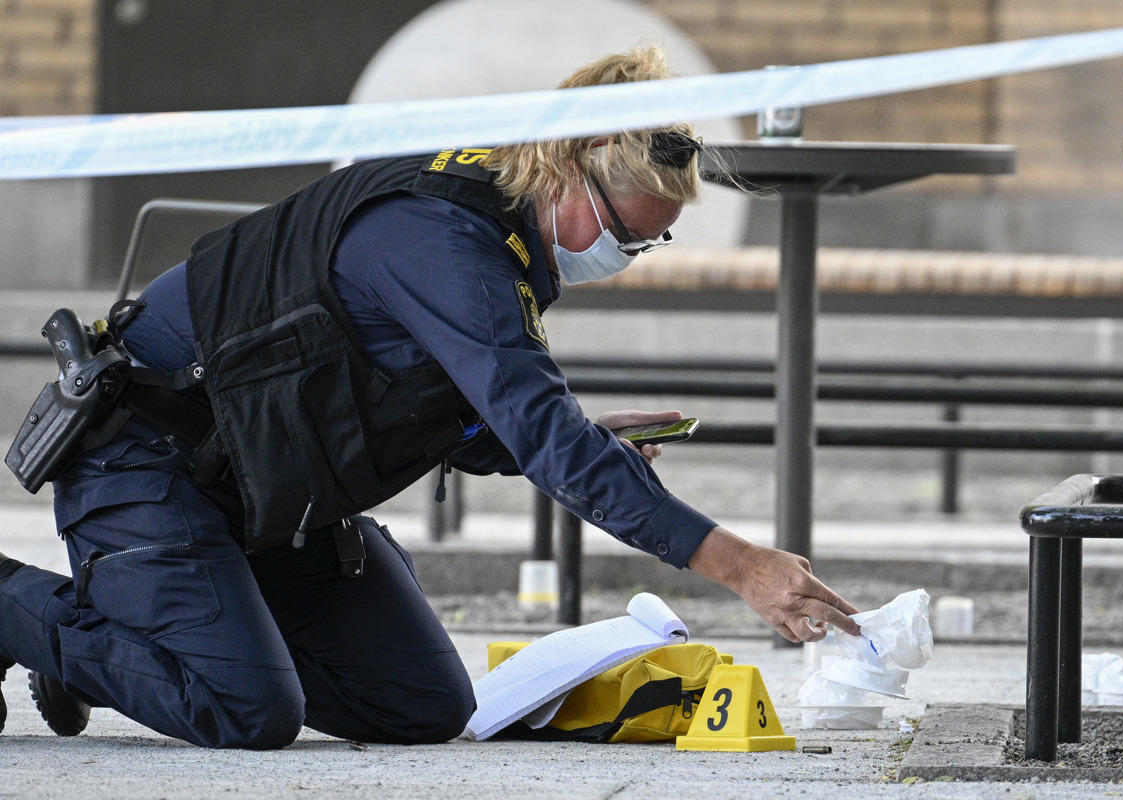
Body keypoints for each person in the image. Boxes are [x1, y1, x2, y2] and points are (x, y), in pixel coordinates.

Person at [0, 46, 859, 749]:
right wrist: (742, 567)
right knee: (245, 710)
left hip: (265, 487)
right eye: (624, 230)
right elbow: (541, 436)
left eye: (651, 240)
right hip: (147, 467)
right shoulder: (441, 237)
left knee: (419, 709)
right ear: (566, 164)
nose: (630, 252)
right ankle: (51, 619)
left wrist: (576, 436)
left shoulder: (502, 234)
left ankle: (127, 637)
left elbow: (439, 410)